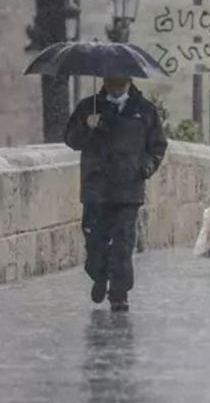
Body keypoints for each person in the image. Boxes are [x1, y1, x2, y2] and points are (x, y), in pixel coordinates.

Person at [64, 77, 167, 312]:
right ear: (105, 81)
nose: (116, 86)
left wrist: (147, 166)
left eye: (120, 81)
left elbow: (157, 146)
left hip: (128, 189)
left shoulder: (144, 110)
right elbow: (71, 140)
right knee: (95, 243)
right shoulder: (88, 107)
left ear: (129, 81)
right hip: (96, 188)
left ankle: (119, 293)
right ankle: (99, 275)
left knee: (123, 243)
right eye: (112, 81)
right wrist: (87, 126)